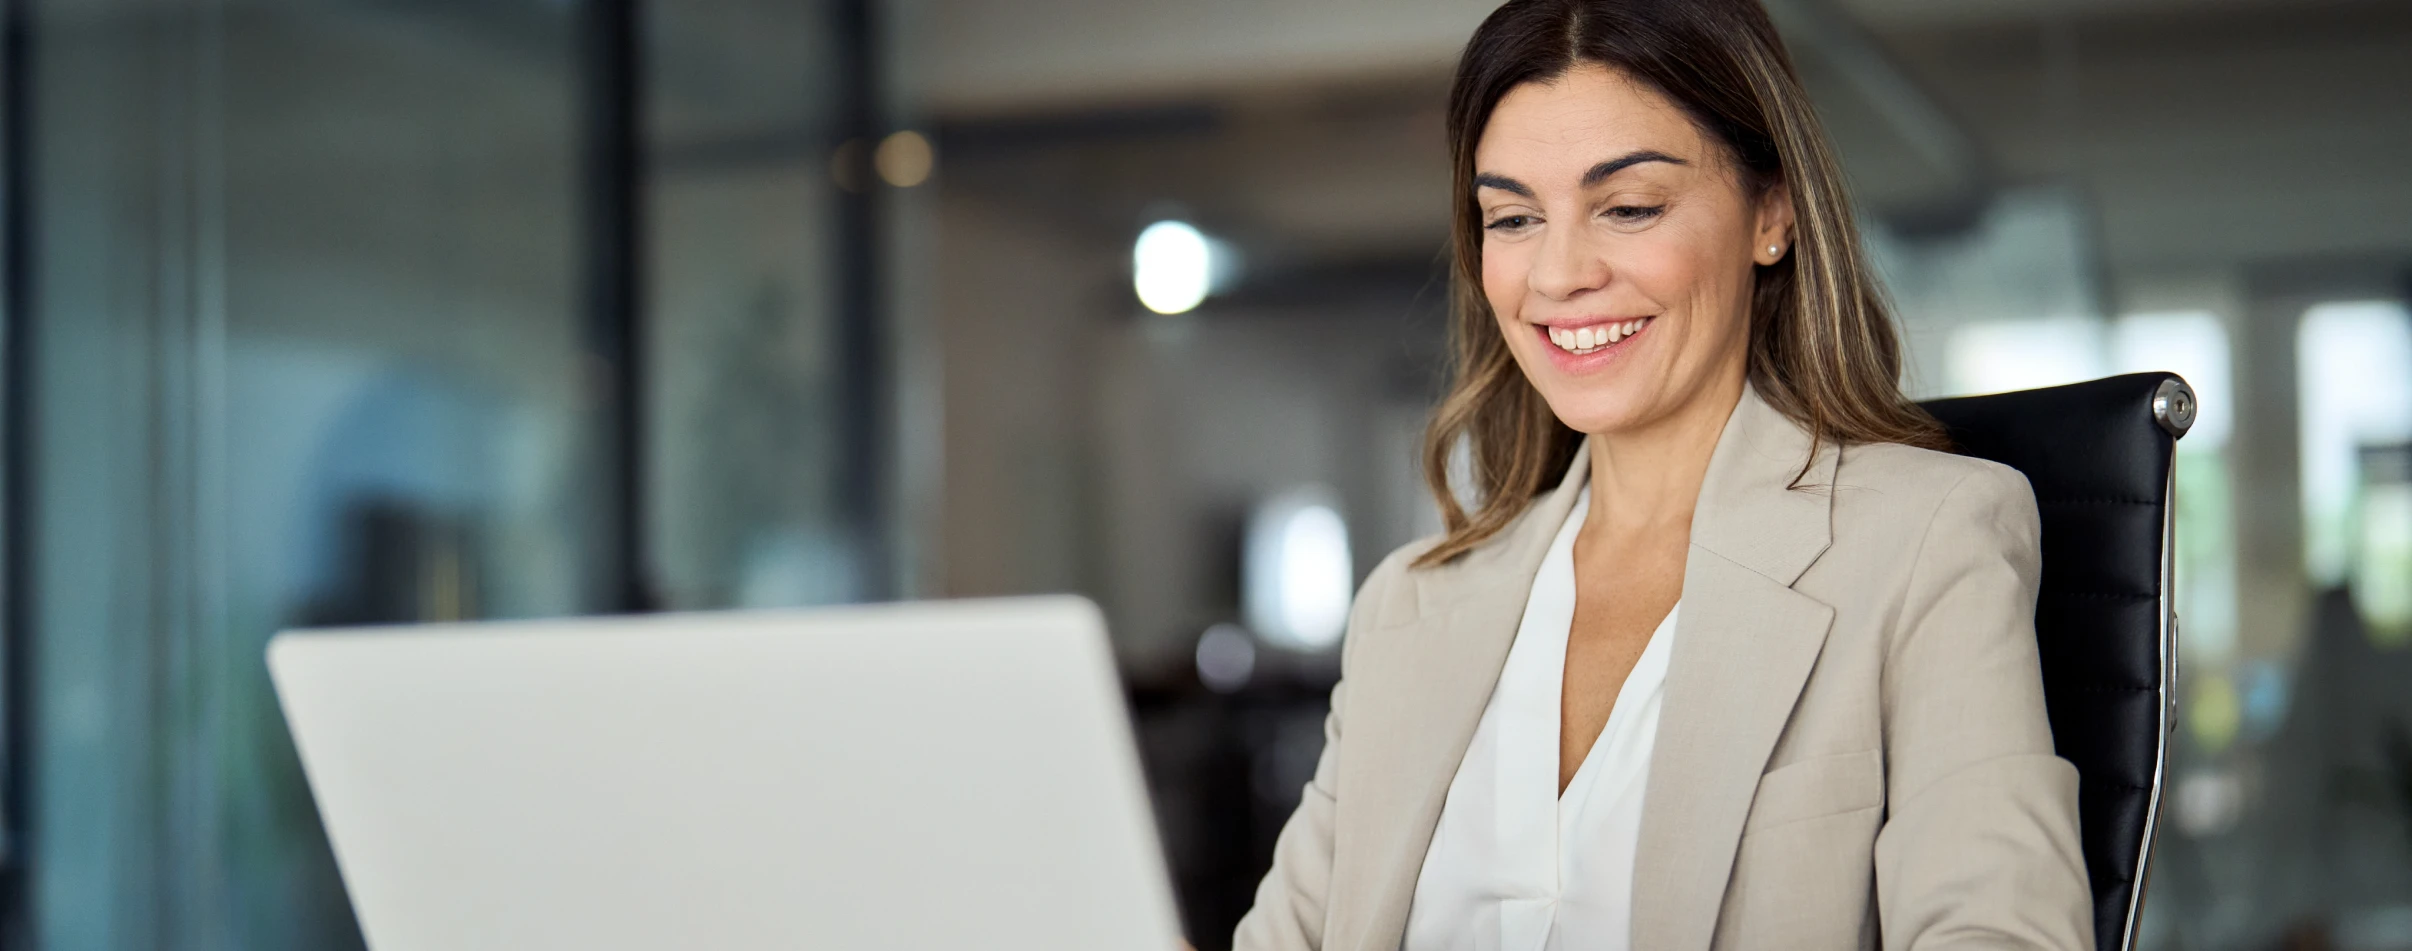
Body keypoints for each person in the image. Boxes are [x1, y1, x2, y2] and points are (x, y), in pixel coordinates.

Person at [1230, 1, 2093, 948]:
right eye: (1513, 217)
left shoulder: (1925, 541)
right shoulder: (1409, 607)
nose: (1558, 274)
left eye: (1630, 207)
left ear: (1772, 213)